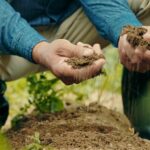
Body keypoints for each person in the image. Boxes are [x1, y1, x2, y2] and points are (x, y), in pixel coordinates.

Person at [0, 0, 150, 139]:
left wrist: (128, 32)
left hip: (66, 18)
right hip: (9, 37)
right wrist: (39, 49)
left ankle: (144, 130)